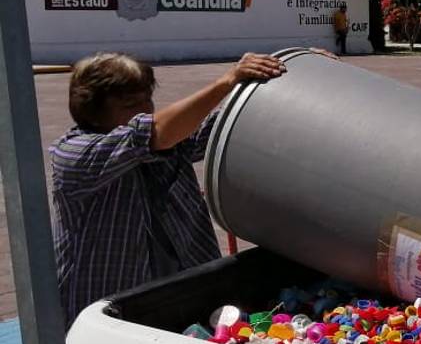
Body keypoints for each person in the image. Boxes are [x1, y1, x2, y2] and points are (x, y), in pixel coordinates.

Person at [50, 51, 286, 324]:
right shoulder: (74, 154)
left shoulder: (170, 140)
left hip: (182, 293)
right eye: (130, 104)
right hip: (107, 306)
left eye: (147, 99)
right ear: (92, 109)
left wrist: (287, 75)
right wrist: (227, 81)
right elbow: (153, 134)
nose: (146, 109)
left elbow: (224, 124)